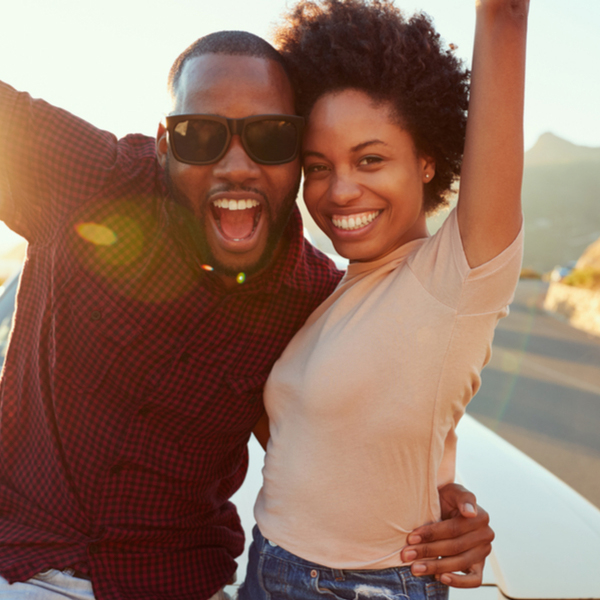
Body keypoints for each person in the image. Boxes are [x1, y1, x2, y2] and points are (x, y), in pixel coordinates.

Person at [0, 28, 493, 600]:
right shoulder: (91, 180)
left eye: (269, 137)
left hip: (174, 582)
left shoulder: (316, 300)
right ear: (166, 142)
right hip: (20, 562)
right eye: (201, 135)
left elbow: (335, 439)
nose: (237, 166)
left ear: (299, 156)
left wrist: (447, 507)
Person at [239, 0, 528, 598]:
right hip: (268, 564)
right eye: (318, 167)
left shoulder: (457, 275)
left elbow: (506, 18)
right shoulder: (328, 291)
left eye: (370, 159)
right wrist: (438, 485)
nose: (340, 190)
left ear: (427, 161)